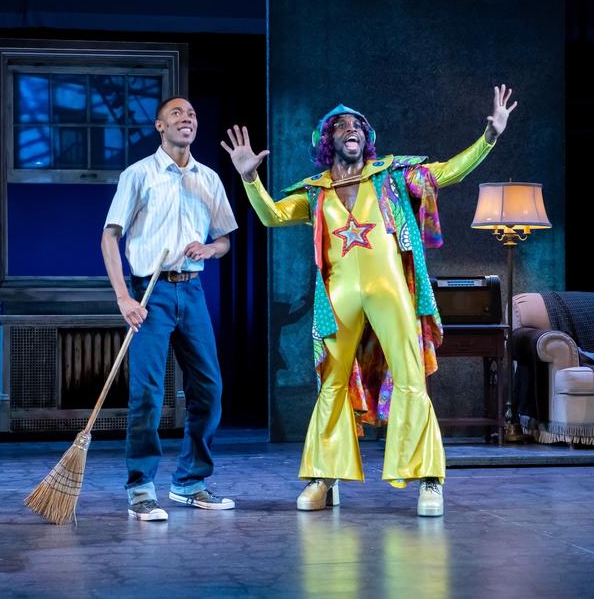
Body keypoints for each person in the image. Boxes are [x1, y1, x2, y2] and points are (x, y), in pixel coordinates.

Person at [222, 85, 517, 516]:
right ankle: (325, 477)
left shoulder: (394, 176)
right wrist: (249, 178)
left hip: (391, 290)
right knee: (332, 383)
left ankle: (428, 478)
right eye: (341, 126)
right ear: (328, 142)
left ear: (366, 138)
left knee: (411, 375)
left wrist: (490, 136)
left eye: (357, 125)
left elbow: (448, 172)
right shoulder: (315, 192)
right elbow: (270, 215)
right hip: (339, 297)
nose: (350, 129)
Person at [102, 97, 238, 521]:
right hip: (151, 292)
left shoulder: (209, 179)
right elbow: (110, 237)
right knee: (147, 393)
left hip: (192, 290)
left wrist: (210, 249)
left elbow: (225, 239)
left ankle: (190, 482)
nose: (187, 119)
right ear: (160, 126)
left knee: (209, 391)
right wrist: (124, 297)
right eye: (177, 114)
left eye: (193, 114)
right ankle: (141, 488)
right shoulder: (139, 174)